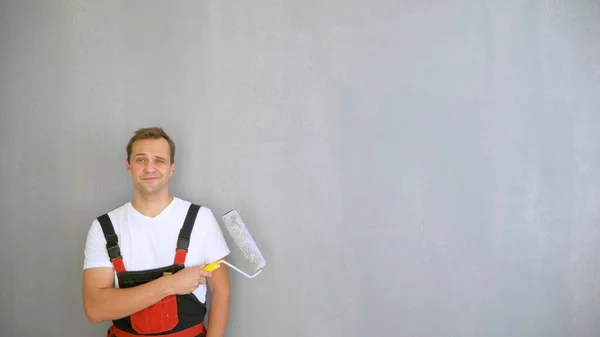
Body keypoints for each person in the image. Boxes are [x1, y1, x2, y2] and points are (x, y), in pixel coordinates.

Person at [82, 127, 231, 337]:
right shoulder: (104, 227)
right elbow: (95, 310)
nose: (149, 168)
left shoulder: (201, 219)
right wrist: (170, 284)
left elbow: (221, 292)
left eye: (159, 160)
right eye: (140, 159)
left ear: (171, 167)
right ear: (129, 166)